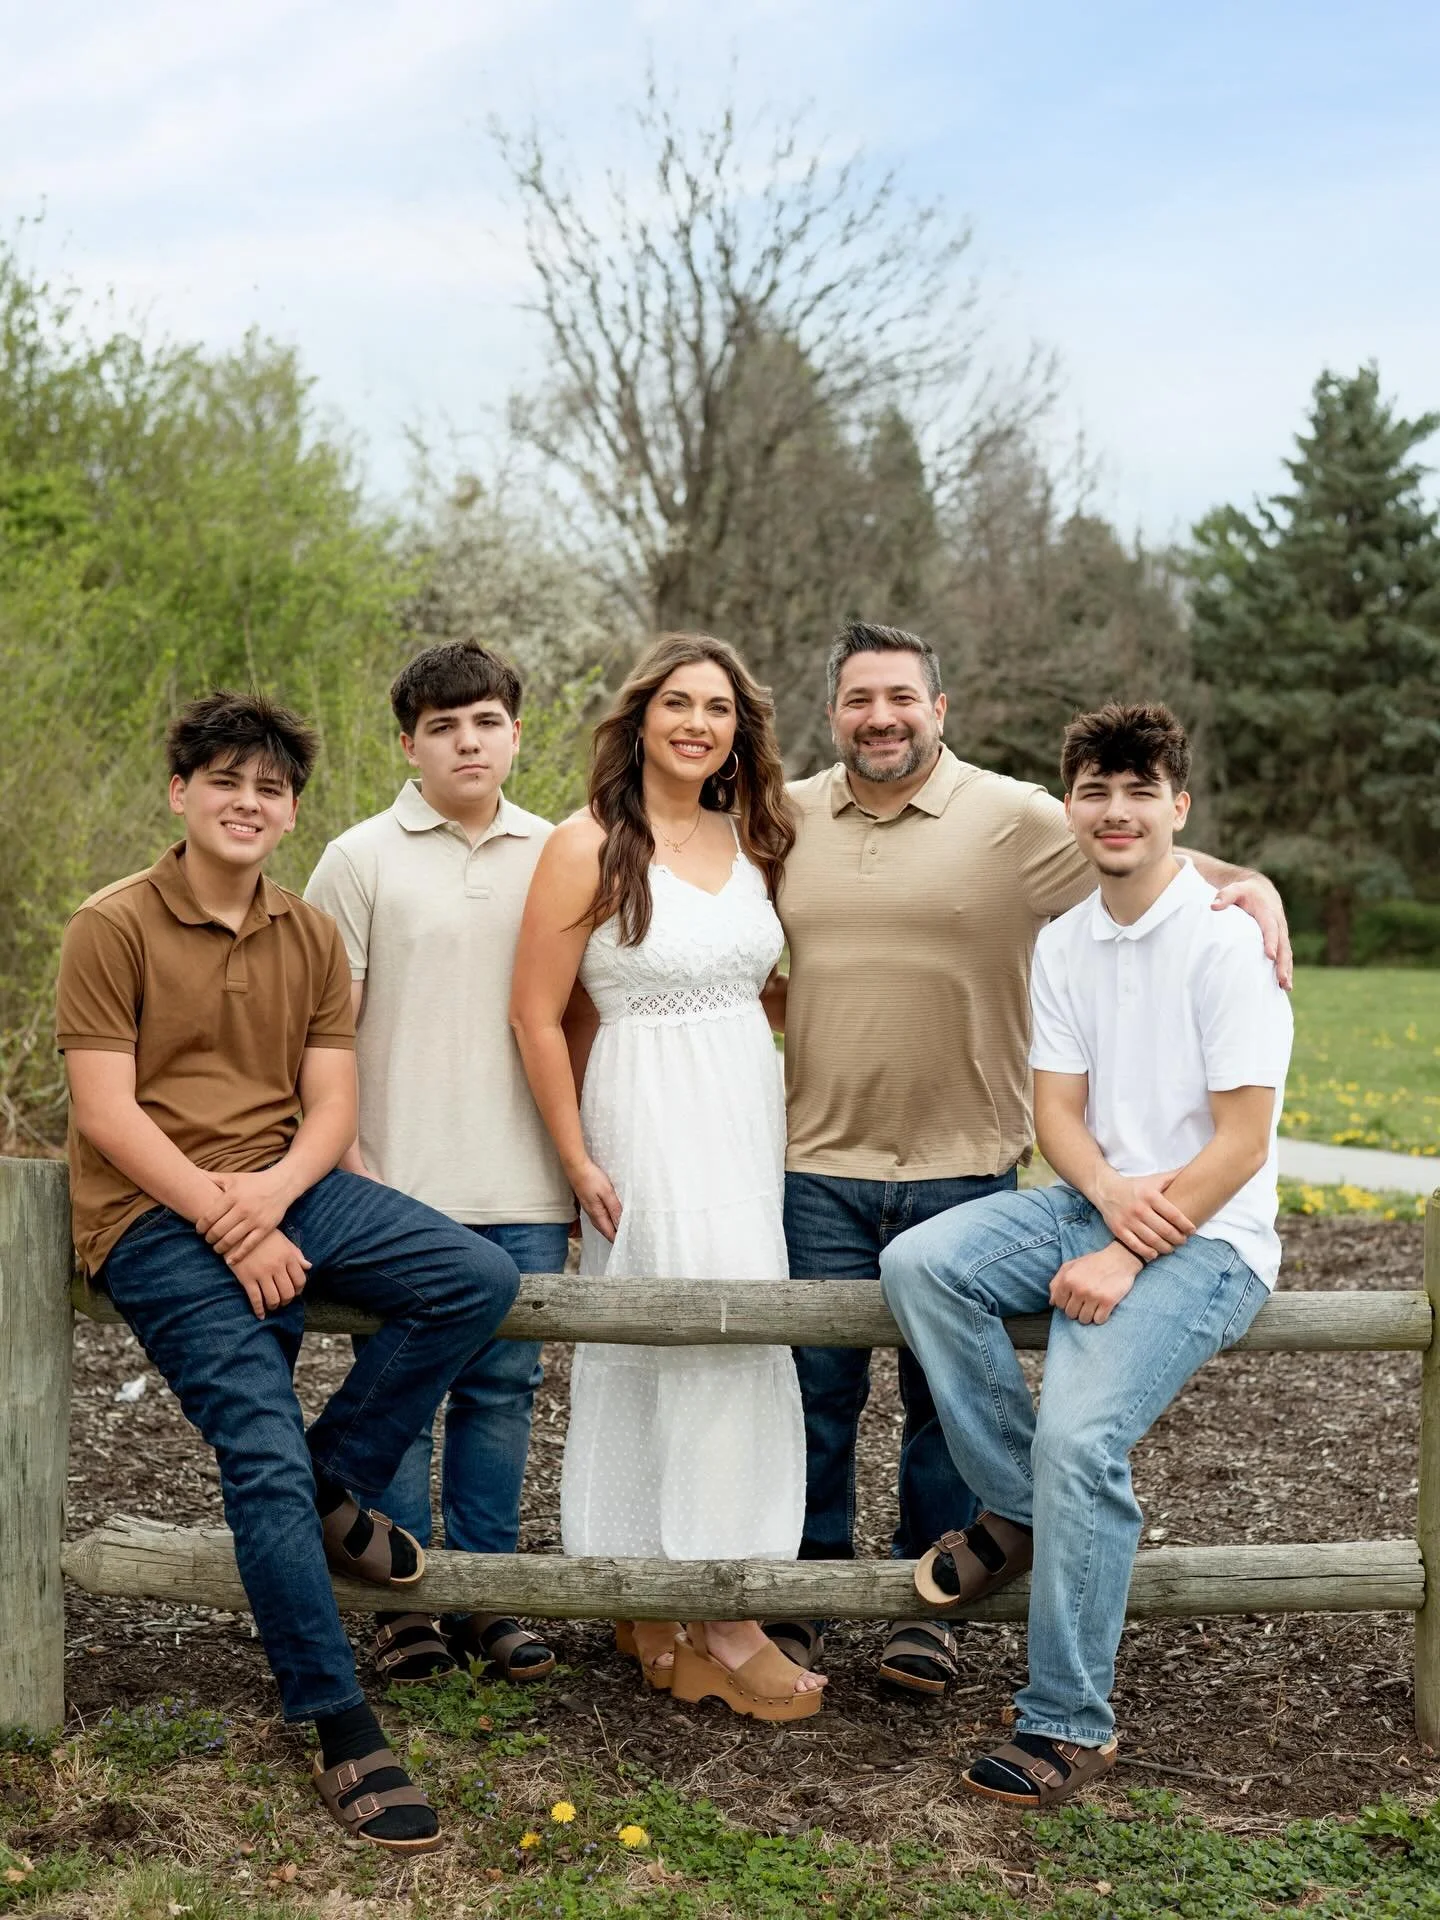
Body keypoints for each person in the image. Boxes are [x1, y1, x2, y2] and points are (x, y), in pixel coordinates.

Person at [768, 623, 1292, 1696]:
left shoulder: (1014, 816)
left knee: (931, 1406)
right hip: (819, 1152)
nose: (882, 716)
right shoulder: (781, 816)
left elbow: (1141, 846)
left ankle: (943, 1610)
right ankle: (808, 1597)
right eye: (860, 698)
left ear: (939, 707)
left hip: (963, 1147)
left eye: (903, 696)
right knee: (812, 1393)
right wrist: (1104, 1199)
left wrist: (1256, 884)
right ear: (833, 714)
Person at [56, 692, 521, 1853]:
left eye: (269, 789)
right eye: (225, 781)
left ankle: (330, 1489)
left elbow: (333, 1102)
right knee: (254, 1446)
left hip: (284, 1184)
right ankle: (337, 1721)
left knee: (470, 1278)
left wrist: (270, 1198)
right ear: (181, 793)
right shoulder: (109, 926)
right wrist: (231, 1218)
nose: (247, 803)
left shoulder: (305, 930)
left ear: (291, 810)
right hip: (153, 1214)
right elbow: (108, 1115)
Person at [879, 701, 1292, 1804]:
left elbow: (1245, 1142)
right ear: (1070, 807)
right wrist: (1105, 1201)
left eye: (1138, 791)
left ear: (1179, 808)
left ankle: (1069, 1722)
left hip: (1214, 1236)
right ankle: (1016, 1507)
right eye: (1095, 792)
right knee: (922, 1264)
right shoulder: (1064, 939)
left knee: (1080, 1432)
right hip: (1093, 1201)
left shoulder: (1226, 940)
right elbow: (1055, 1110)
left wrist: (1126, 1251)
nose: (1115, 811)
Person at [510, 632, 824, 1720]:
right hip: (641, 1114)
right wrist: (576, 1154)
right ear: (639, 718)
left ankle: (683, 1609)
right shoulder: (585, 844)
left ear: (742, 734)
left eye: (721, 710)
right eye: (679, 704)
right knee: (671, 1333)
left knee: (743, 1335)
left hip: (742, 1111)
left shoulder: (759, 840)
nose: (700, 723)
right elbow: (535, 1014)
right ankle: (704, 1611)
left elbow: (757, 983)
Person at [305, 641, 573, 1689]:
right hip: (396, 1182)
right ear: (409, 744)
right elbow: (321, 1028)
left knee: (505, 1388)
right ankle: (402, 1603)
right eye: (444, 726)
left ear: (516, 732)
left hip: (522, 1179)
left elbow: (575, 1019)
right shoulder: (360, 857)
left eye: (487, 721)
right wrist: (350, 1154)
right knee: (401, 1387)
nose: (468, 740)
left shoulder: (559, 852)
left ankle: (484, 1593)